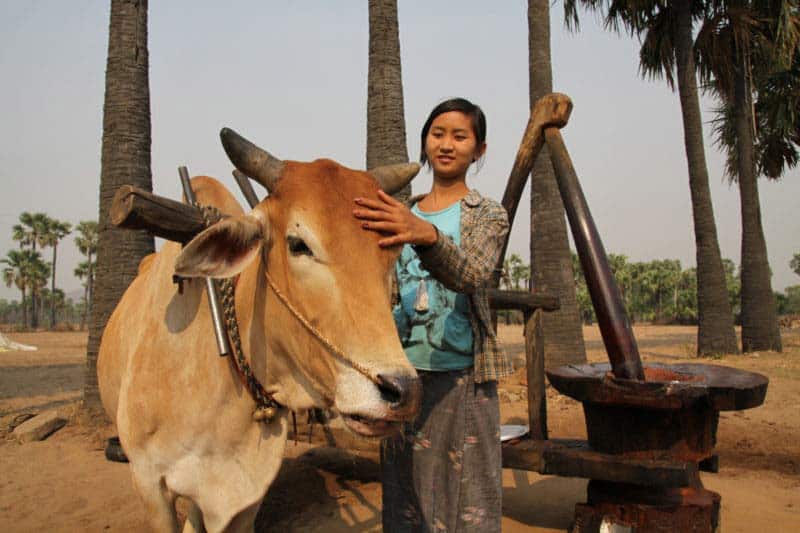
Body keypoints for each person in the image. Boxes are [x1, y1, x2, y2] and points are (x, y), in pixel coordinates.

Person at [353, 97, 511, 532]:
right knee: (405, 497)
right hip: (402, 375)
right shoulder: (397, 214)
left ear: (478, 150)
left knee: (469, 498)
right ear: (425, 143)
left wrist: (426, 235)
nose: (446, 144)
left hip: (462, 378)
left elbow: (473, 272)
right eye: (437, 134)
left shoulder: (489, 215)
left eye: (460, 136)